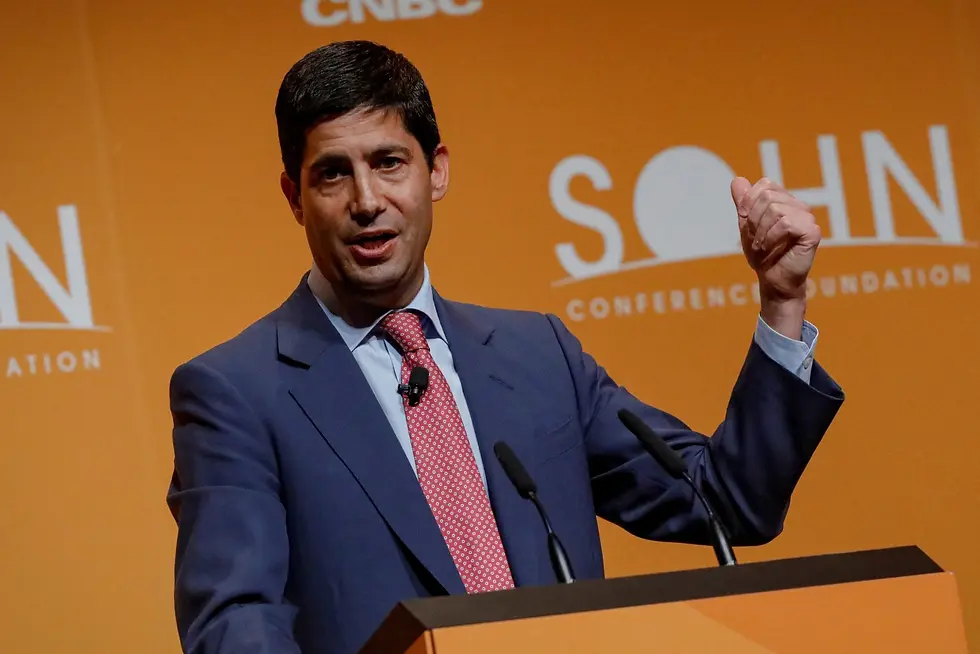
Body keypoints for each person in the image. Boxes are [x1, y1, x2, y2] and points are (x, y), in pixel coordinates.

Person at [166, 40, 844, 654]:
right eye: (332, 174)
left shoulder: (538, 356)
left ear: (436, 171)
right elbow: (234, 623)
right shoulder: (238, 393)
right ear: (295, 197)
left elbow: (725, 500)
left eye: (389, 163)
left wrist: (782, 301)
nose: (367, 200)